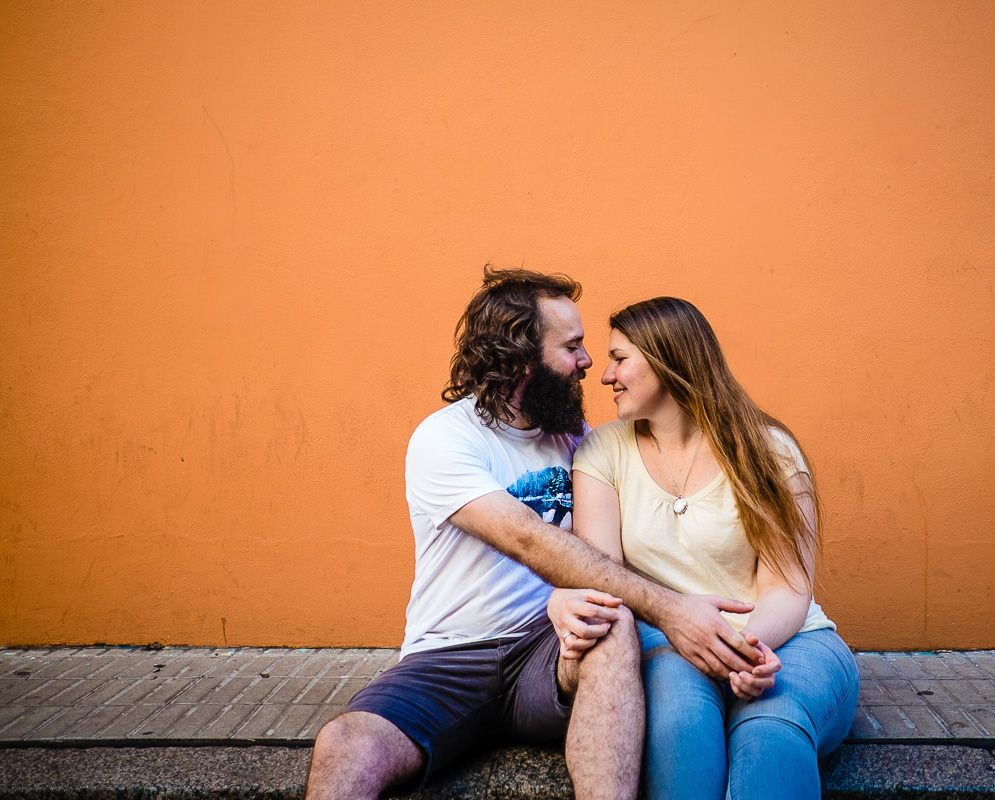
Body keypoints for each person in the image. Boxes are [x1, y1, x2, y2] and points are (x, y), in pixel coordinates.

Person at [305, 270, 768, 800]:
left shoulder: (579, 440)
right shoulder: (445, 439)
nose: (588, 363)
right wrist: (671, 610)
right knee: (344, 744)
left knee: (609, 625)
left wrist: (569, 599)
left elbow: (609, 551)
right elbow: (528, 538)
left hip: (548, 653)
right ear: (520, 357)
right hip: (450, 656)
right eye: (572, 347)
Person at [557, 297, 859, 800]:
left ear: (668, 359)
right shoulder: (602, 453)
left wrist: (747, 650)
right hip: (667, 643)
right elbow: (602, 576)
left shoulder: (768, 450)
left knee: (771, 734)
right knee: (681, 730)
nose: (605, 375)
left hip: (783, 642)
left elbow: (788, 588)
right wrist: (692, 635)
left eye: (620, 358)